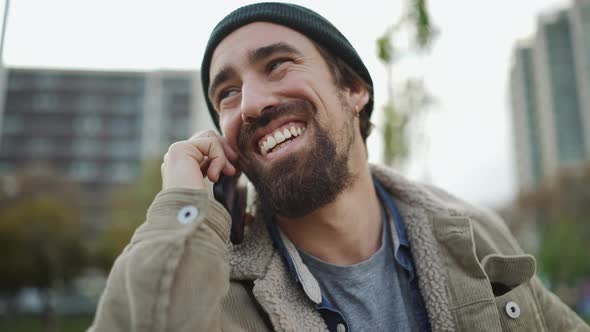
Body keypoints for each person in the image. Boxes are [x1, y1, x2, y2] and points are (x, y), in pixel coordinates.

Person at [90, 3, 589, 331]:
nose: (252, 104)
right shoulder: (209, 289)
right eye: (228, 93)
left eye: (278, 64)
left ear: (354, 90)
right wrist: (185, 208)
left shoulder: (476, 238)